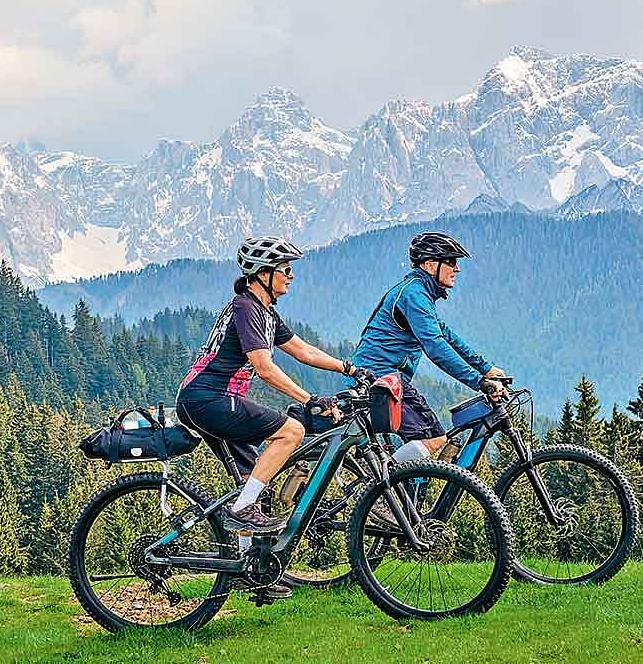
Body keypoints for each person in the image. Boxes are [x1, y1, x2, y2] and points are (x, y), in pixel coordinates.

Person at [176, 236, 363, 538]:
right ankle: (241, 509)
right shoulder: (246, 308)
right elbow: (264, 368)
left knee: (253, 483)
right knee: (292, 432)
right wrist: (310, 399)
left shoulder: (265, 313)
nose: (291, 276)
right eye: (285, 270)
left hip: (210, 401)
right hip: (208, 399)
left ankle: (248, 561)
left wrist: (349, 368)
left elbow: (304, 351)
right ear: (264, 273)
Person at [351, 231, 507, 468]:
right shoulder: (414, 295)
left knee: (430, 440)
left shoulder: (419, 293)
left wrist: (486, 369)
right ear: (431, 264)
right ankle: (379, 485)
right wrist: (479, 382)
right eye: (451, 261)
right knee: (430, 438)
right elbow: (436, 347)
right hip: (379, 378)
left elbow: (446, 335)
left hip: (385, 377)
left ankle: (395, 485)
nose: (457, 268)